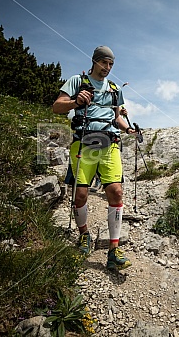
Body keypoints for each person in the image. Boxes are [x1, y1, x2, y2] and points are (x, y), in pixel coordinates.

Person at [52, 45, 136, 270]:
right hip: (84, 143)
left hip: (110, 143)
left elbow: (117, 117)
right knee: (79, 195)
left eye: (111, 64)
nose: (108, 68)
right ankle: (84, 234)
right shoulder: (77, 82)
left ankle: (114, 250)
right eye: (104, 63)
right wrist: (75, 102)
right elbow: (57, 107)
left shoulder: (115, 89)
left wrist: (128, 129)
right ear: (95, 61)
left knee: (116, 192)